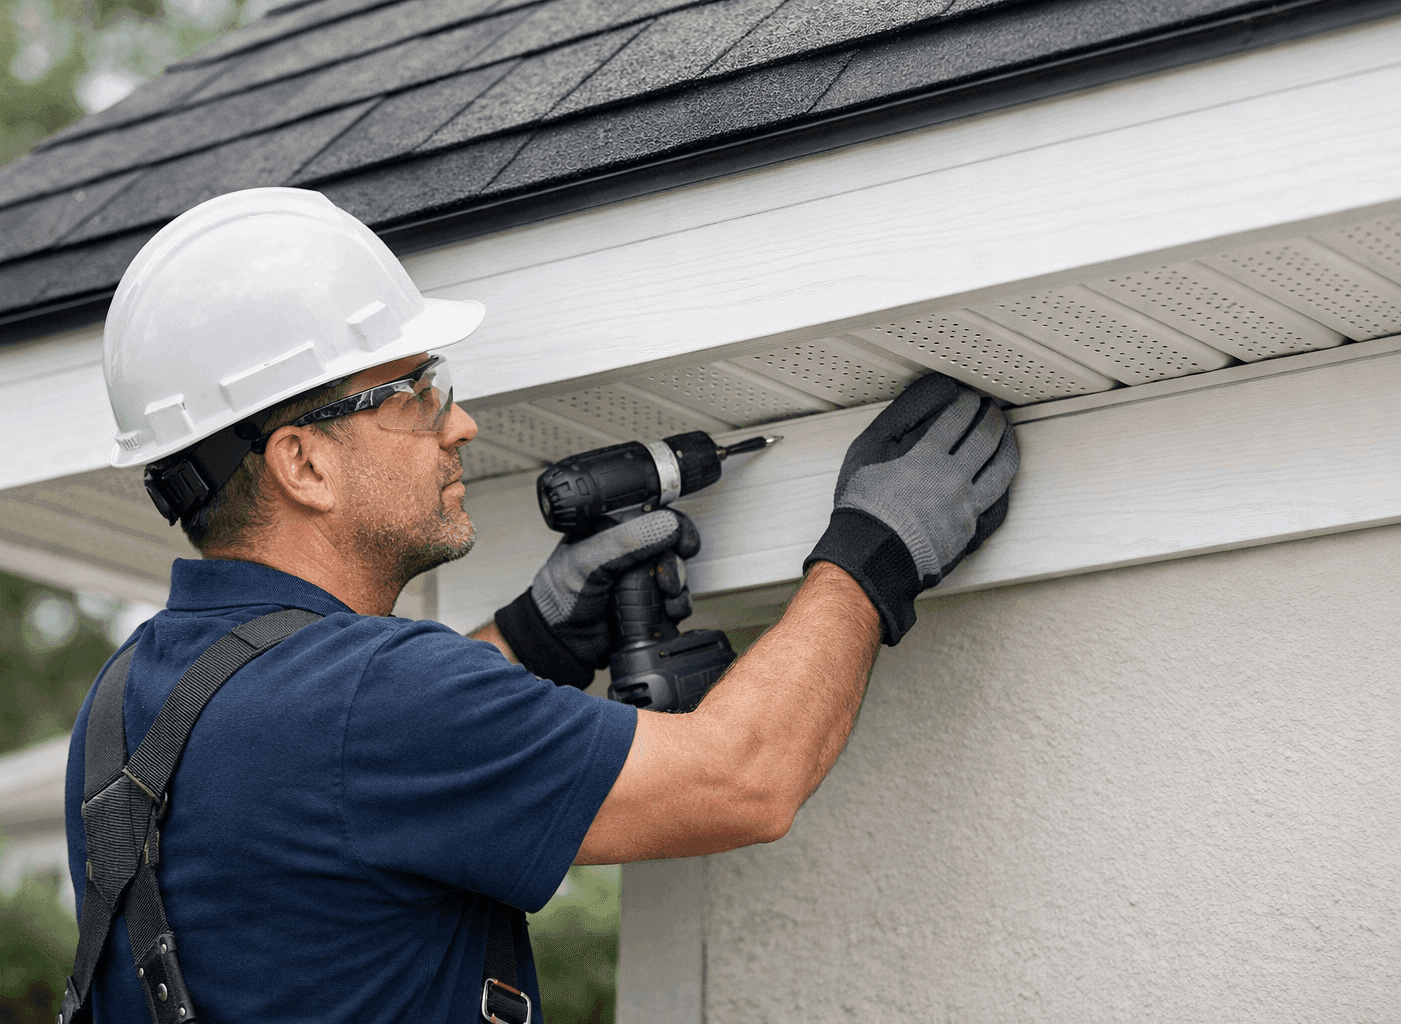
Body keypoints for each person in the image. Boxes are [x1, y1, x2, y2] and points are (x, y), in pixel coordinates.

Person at [62, 188, 1018, 1023]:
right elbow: (742, 779)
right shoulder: (374, 700)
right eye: (416, 393)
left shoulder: (127, 704)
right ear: (303, 463)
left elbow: (348, 781)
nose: (461, 424)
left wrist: (529, 639)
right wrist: (870, 555)